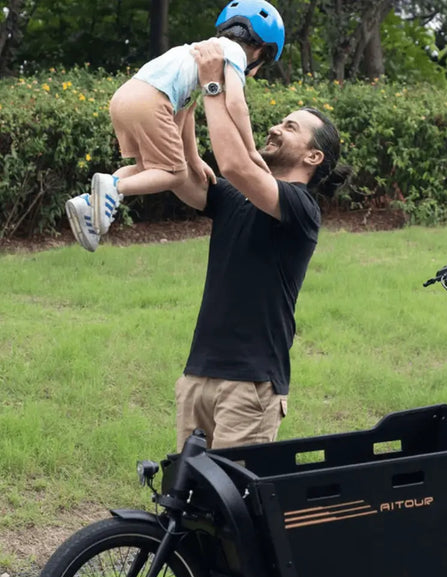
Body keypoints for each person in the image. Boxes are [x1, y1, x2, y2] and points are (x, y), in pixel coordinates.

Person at [172, 39, 352, 451]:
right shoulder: (237, 197)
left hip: (250, 385)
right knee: (187, 503)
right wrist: (188, 97)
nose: (276, 127)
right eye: (282, 121)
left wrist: (214, 84)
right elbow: (183, 174)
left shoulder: (300, 209)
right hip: (198, 373)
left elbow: (233, 163)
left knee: (233, 508)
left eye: (291, 128)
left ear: (313, 158)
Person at [65, 0, 285, 253]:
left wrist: (194, 158)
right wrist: (251, 151)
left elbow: (186, 114)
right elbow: (236, 103)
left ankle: (88, 203)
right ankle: (115, 187)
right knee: (175, 175)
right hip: (151, 102)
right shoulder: (234, 53)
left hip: (125, 97)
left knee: (149, 168)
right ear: (260, 51)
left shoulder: (197, 52)